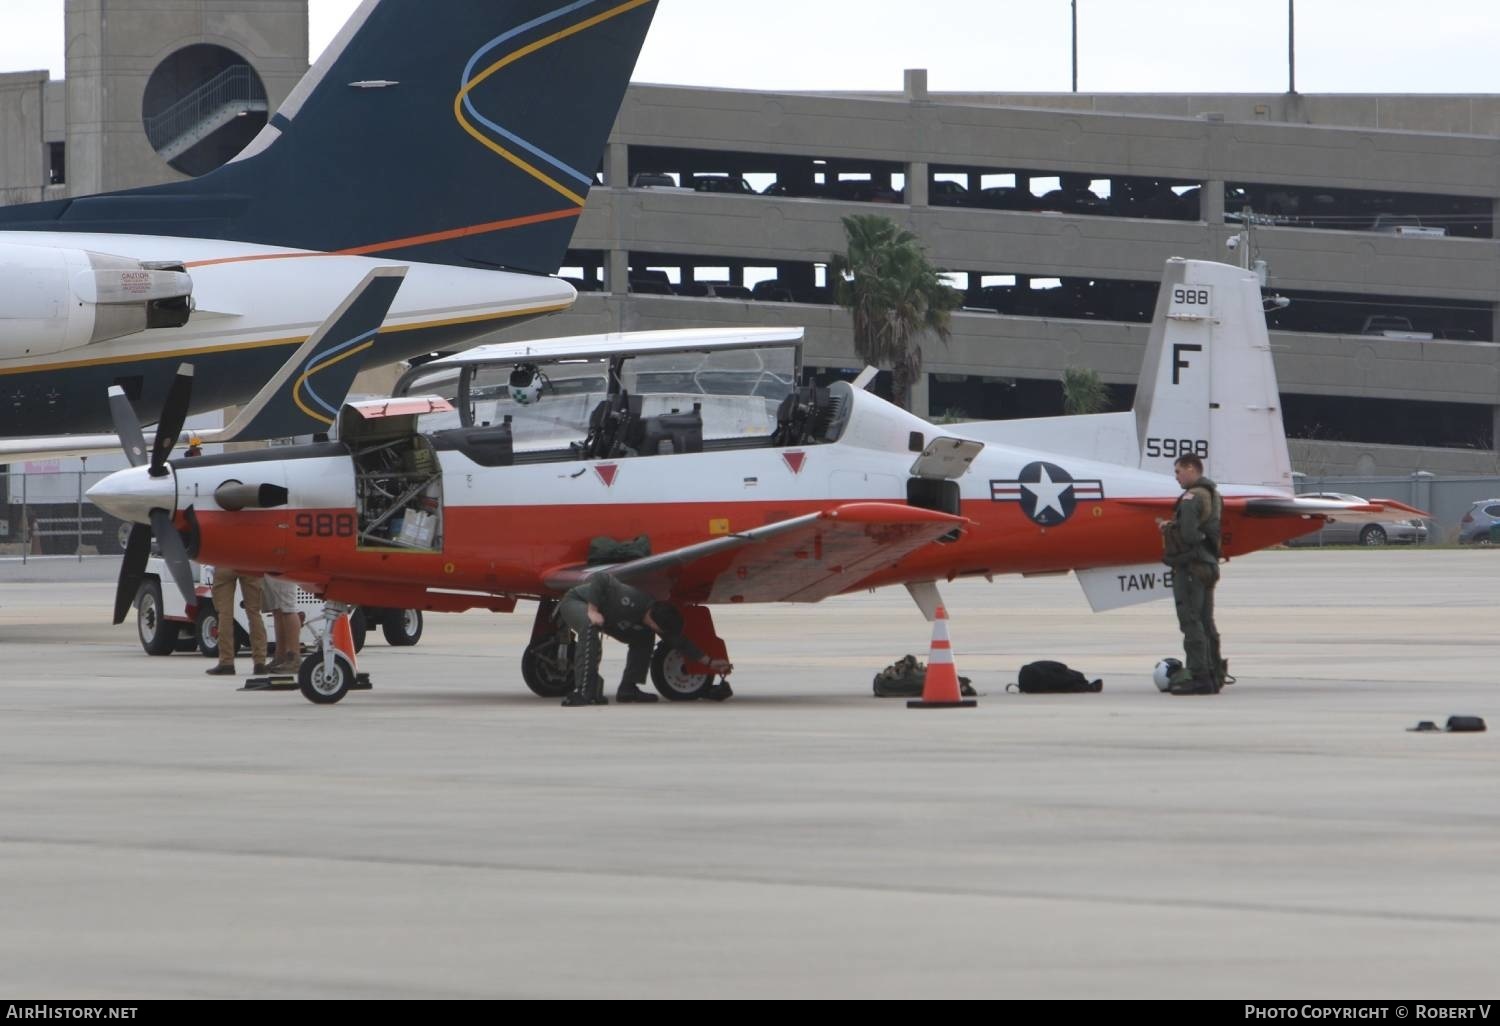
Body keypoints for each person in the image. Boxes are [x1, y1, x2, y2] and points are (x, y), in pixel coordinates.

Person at [556, 572, 732, 707]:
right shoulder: (630, 599)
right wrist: (592, 611)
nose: (661, 633)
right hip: (578, 602)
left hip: (609, 619)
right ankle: (583, 691)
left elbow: (679, 642)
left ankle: (628, 689)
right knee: (589, 626)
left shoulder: (656, 619)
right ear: (655, 622)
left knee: (644, 636)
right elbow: (601, 578)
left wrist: (709, 663)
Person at [1157, 454, 1225, 696]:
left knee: (1191, 620)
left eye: (1178, 472)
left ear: (1190, 469)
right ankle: (1215, 672)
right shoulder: (1214, 494)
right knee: (1207, 621)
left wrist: (1168, 528)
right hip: (1208, 564)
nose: (1176, 477)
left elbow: (1188, 535)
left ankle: (1199, 675)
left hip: (1190, 567)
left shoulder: (1191, 498)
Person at [205, 567, 268, 676]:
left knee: (225, 614)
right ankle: (260, 663)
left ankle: (226, 662)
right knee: (254, 613)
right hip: (250, 563)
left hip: (225, 562)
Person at [261, 574, 303, 676]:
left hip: (282, 565)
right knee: (277, 609)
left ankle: (294, 657)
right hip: (270, 566)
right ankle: (281, 657)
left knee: (287, 608)